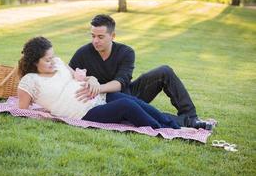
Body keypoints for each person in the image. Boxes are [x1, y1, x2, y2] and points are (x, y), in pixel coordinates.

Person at [69, 14, 212, 130]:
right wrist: (90, 78)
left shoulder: (126, 52)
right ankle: (186, 123)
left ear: (113, 36)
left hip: (128, 93)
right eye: (92, 36)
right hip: (103, 102)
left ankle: (190, 116)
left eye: (100, 37)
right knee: (141, 111)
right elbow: (70, 74)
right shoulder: (83, 52)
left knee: (164, 71)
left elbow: (121, 83)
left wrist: (99, 87)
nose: (95, 41)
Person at [17, 36, 181, 129]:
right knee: (126, 106)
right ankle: (161, 130)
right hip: (84, 112)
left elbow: (79, 76)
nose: (53, 61)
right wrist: (45, 118)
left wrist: (93, 79)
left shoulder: (59, 63)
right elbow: (22, 111)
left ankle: (174, 127)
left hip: (98, 96)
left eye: (52, 56)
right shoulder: (29, 81)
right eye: (47, 60)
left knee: (133, 101)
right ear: (34, 62)